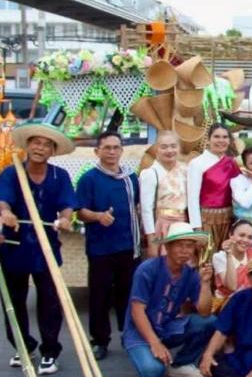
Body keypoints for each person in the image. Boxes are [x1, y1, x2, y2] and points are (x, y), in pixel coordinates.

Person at [0, 123, 77, 375]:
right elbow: (2, 201)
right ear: (28, 146)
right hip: (14, 247)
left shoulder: (59, 176)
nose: (40, 148)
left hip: (46, 247)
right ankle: (23, 347)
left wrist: (65, 219)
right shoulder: (11, 173)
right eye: (36, 142)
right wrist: (6, 213)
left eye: (46, 145)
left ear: (53, 150)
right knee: (13, 301)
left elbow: (67, 205)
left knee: (50, 301)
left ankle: (50, 351)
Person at [122, 223, 215, 377]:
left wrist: (205, 284)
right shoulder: (147, 269)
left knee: (210, 322)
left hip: (167, 327)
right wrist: (155, 343)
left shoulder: (191, 274)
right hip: (138, 332)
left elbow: (205, 312)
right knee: (153, 372)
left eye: (189, 246)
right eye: (179, 245)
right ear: (168, 247)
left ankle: (181, 363)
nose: (185, 251)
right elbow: (137, 311)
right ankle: (147, 352)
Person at [76, 131, 141, 361]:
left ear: (122, 151)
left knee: (128, 294)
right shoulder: (89, 179)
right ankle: (100, 340)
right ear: (97, 151)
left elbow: (137, 206)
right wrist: (98, 216)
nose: (112, 152)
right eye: (107, 148)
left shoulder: (130, 178)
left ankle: (129, 335)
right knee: (99, 296)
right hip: (100, 248)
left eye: (116, 147)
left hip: (128, 245)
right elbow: (79, 212)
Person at [187, 123, 242, 259]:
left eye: (225, 137)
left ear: (229, 140)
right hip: (206, 220)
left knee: (226, 259)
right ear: (208, 139)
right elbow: (192, 198)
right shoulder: (197, 163)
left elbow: (241, 191)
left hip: (229, 220)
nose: (221, 140)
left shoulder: (232, 163)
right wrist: (197, 228)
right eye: (217, 136)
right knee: (207, 259)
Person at [139, 130, 189, 258]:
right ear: (156, 150)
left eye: (173, 146)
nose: (169, 150)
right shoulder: (150, 174)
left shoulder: (186, 170)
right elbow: (146, 209)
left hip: (183, 225)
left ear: (179, 148)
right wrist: (151, 238)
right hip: (161, 226)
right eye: (164, 147)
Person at [211, 219, 252, 308]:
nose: (245, 240)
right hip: (227, 304)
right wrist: (229, 255)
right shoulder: (219, 257)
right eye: (241, 235)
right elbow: (232, 286)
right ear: (231, 235)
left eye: (250, 237)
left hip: (250, 303)